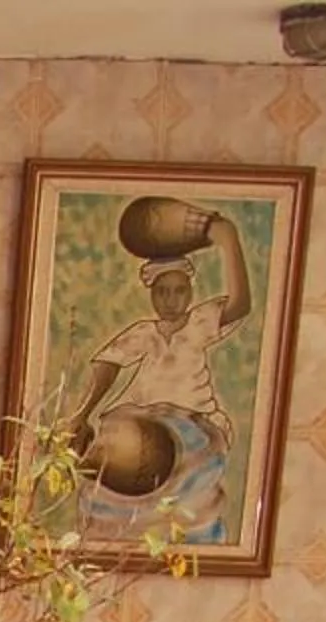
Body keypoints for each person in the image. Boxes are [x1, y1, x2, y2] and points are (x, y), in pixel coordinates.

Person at [62, 202, 251, 543]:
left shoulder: (201, 322)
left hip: (192, 426)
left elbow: (240, 303)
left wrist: (228, 240)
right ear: (151, 294)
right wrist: (80, 415)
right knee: (111, 479)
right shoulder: (143, 333)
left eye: (179, 291)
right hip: (142, 420)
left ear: (191, 292)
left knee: (188, 496)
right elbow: (107, 365)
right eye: (162, 292)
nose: (171, 300)